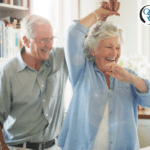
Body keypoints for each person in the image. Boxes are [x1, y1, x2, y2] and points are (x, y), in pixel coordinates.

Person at [57, 2, 150, 150]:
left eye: (118, 47)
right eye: (108, 47)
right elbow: (72, 34)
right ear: (93, 50)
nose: (114, 53)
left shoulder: (128, 75)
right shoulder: (82, 71)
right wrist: (99, 13)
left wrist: (131, 79)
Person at [0, 15, 68, 150]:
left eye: (51, 39)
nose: (49, 45)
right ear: (26, 40)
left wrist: (100, 15)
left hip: (54, 146)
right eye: (44, 40)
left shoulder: (59, 59)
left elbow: (77, 38)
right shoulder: (8, 72)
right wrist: (3, 147)